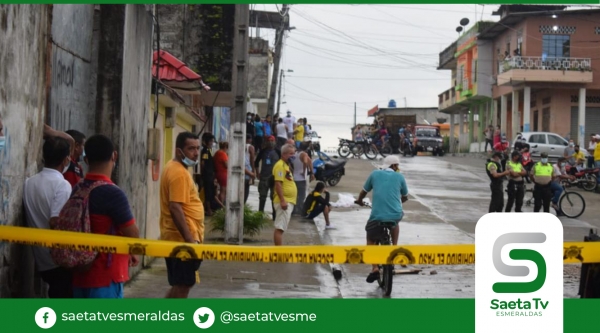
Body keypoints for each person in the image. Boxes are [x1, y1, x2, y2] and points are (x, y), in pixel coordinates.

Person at [71, 134, 140, 298]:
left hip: (80, 273)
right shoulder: (112, 193)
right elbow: (133, 233)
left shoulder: (78, 188)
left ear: (86, 159)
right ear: (114, 155)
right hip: (105, 277)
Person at [23, 137, 74, 298]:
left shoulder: (29, 183)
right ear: (66, 160)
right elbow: (56, 221)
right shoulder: (62, 185)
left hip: (41, 259)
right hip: (58, 261)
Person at [160, 132, 204, 298]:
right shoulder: (178, 173)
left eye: (197, 148)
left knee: (181, 285)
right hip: (182, 241)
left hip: (180, 238)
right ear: (179, 151)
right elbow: (175, 207)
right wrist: (189, 241)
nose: (196, 152)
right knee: (182, 286)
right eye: (191, 148)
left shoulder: (175, 167)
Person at [354, 155, 408, 283]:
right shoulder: (400, 177)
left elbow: (363, 192)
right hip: (395, 213)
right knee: (395, 222)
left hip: (377, 215)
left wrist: (360, 201)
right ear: (394, 166)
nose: (398, 168)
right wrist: (396, 202)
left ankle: (374, 268)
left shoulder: (375, 174)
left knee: (370, 238)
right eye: (397, 166)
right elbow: (405, 196)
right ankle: (394, 248)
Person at [272, 143, 298, 246]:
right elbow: (278, 184)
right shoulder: (280, 165)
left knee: (281, 227)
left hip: (288, 200)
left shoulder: (286, 165)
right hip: (284, 201)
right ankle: (278, 253)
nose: (293, 156)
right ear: (284, 154)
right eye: (291, 153)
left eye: (294, 153)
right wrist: (282, 200)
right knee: (280, 228)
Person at [257, 136, 280, 217]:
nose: (270, 142)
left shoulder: (278, 151)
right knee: (262, 197)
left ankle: (274, 215)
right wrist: (257, 173)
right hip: (264, 177)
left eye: (272, 140)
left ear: (274, 141)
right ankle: (260, 214)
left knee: (274, 197)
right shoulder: (262, 151)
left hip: (275, 178)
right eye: (269, 140)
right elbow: (256, 162)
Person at [290, 140, 314, 216]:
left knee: (295, 195)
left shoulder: (295, 154)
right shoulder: (304, 154)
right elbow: (306, 162)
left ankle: (294, 210)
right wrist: (304, 171)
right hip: (301, 178)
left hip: (294, 177)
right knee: (301, 196)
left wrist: (292, 170)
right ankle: (299, 211)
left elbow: (290, 163)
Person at [200, 133, 216, 216]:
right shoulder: (205, 150)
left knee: (210, 192)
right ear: (208, 141)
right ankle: (208, 210)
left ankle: (206, 209)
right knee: (207, 192)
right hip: (207, 175)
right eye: (211, 141)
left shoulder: (209, 150)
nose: (212, 143)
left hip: (210, 175)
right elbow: (203, 163)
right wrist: (204, 173)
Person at [213, 141, 229, 206]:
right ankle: (221, 205)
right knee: (223, 191)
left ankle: (219, 204)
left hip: (217, 173)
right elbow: (226, 165)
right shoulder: (223, 154)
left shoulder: (216, 153)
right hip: (223, 174)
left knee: (218, 190)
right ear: (225, 147)